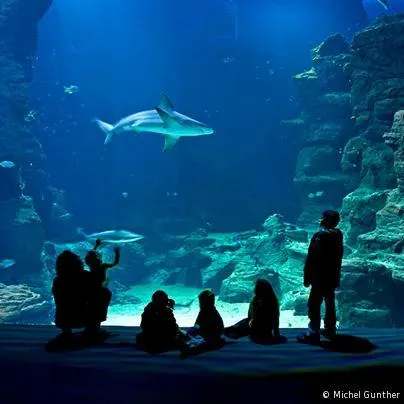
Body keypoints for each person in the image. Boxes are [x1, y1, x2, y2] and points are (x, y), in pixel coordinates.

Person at [298, 210, 344, 344]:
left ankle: (313, 333)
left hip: (319, 277)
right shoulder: (338, 234)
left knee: (314, 304)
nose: (320, 220)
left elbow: (312, 258)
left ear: (327, 220)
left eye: (322, 218)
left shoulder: (320, 236)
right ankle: (330, 330)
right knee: (330, 303)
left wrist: (307, 276)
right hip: (332, 276)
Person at [224, 278, 284, 344]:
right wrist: (276, 333)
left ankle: (228, 331)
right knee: (243, 323)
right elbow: (275, 319)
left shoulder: (255, 301)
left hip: (255, 328)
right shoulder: (273, 301)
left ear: (257, 289)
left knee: (242, 324)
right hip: (267, 330)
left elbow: (250, 316)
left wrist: (251, 322)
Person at [51, 250, 92, 338]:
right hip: (83, 318)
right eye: (80, 261)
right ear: (75, 264)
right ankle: (93, 328)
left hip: (62, 320)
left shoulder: (57, 280)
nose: (82, 262)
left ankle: (66, 331)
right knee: (104, 293)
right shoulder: (85, 276)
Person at [84, 240, 119, 336]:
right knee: (100, 310)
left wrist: (96, 246)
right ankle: (96, 330)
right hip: (101, 292)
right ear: (99, 258)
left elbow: (90, 255)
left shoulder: (90, 267)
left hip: (91, 292)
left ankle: (90, 329)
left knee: (92, 310)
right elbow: (115, 263)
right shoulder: (103, 266)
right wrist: (117, 253)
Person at [181, 290, 225, 357]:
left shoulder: (212, 314)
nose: (200, 304)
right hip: (203, 333)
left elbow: (215, 330)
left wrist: (198, 332)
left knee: (200, 343)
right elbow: (197, 324)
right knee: (187, 333)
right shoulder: (203, 312)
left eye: (201, 302)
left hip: (211, 337)